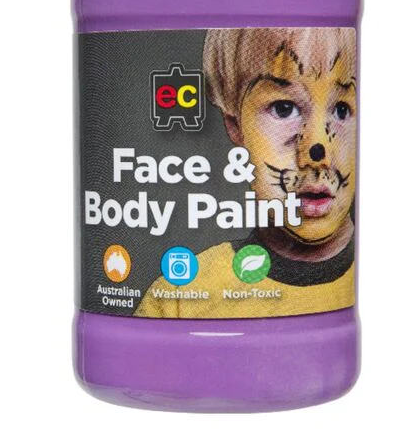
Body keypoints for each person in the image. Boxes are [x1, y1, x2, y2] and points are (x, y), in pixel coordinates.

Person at [135, 27, 356, 318]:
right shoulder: (182, 293)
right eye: (284, 108)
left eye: (341, 110)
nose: (319, 152)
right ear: (235, 125)